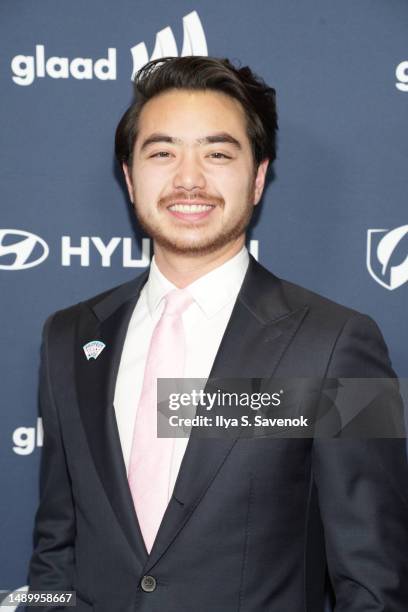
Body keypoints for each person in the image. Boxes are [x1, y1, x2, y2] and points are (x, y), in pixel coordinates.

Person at [27, 56, 408, 611]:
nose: (188, 179)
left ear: (257, 177)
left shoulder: (338, 343)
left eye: (217, 153)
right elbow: (56, 550)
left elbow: (375, 582)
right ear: (130, 179)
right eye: (162, 153)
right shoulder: (69, 336)